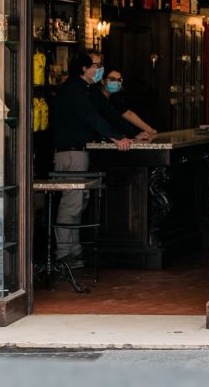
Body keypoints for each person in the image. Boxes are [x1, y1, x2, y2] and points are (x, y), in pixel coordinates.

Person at [50, 52, 132, 264]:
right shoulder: (74, 90)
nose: (99, 70)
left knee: (79, 201)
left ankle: (74, 249)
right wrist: (115, 137)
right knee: (72, 202)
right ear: (84, 69)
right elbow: (91, 117)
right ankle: (64, 253)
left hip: (79, 151)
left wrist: (125, 133)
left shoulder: (86, 90)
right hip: (71, 152)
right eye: (96, 66)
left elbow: (106, 113)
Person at [88, 53, 158, 140]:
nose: (116, 82)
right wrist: (134, 133)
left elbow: (128, 114)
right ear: (102, 81)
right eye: (112, 79)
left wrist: (150, 130)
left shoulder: (113, 98)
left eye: (119, 80)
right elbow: (112, 117)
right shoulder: (95, 95)